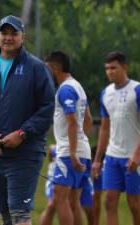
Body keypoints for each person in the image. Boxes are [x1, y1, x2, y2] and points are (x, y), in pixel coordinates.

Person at [0, 15, 55, 225]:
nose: (8, 37)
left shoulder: (36, 67)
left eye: (14, 33)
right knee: (6, 215)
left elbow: (47, 108)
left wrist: (23, 133)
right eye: (4, 33)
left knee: (19, 213)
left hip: (26, 152)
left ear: (23, 37)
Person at [44, 50, 93, 225]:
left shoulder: (65, 90)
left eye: (46, 68)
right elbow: (88, 120)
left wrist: (72, 151)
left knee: (59, 199)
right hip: (84, 150)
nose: (44, 72)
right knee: (73, 201)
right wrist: (80, 143)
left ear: (55, 68)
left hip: (69, 153)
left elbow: (73, 122)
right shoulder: (78, 86)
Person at [92, 51, 140, 225]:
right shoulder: (106, 93)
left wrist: (137, 155)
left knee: (134, 205)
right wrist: (97, 160)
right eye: (107, 68)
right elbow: (104, 128)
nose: (110, 72)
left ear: (124, 67)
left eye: (114, 68)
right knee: (109, 201)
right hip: (112, 158)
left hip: (133, 157)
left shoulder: (137, 89)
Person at [39, 144, 94, 225]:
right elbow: (50, 150)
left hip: (80, 161)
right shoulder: (57, 148)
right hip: (59, 174)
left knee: (84, 205)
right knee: (53, 204)